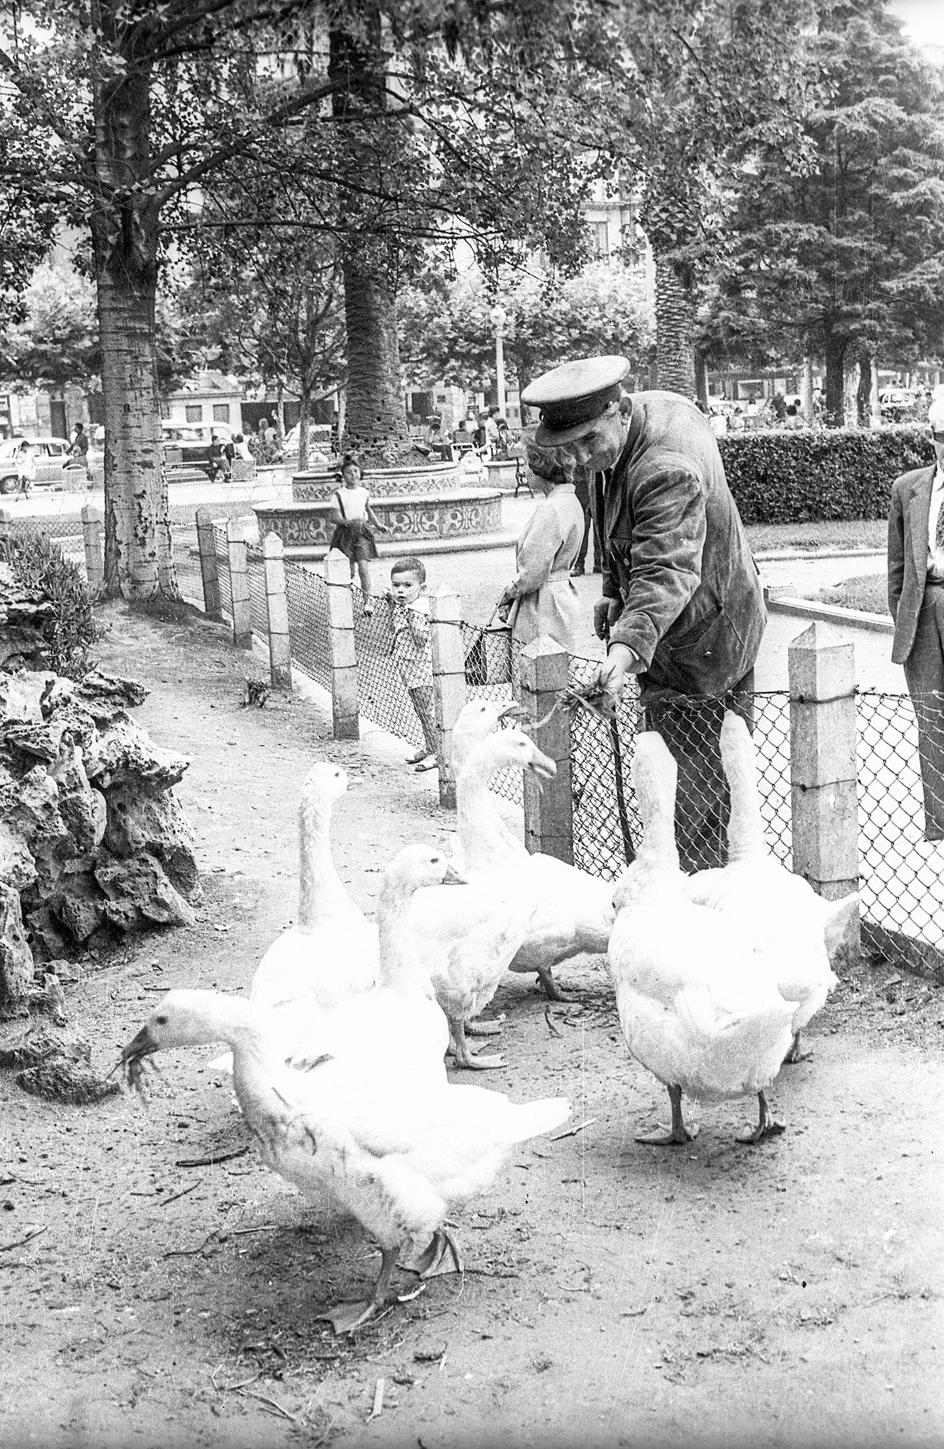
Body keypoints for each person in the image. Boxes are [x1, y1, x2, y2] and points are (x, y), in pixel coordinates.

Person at [519, 354, 767, 873]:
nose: (583, 459)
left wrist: (625, 649)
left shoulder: (665, 466)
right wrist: (613, 590)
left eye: (589, 442)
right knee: (672, 783)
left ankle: (695, 913)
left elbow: (666, 571)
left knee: (690, 798)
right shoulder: (635, 427)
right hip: (677, 633)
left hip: (703, 647)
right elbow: (623, 519)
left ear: (619, 410)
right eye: (571, 447)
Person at [887, 393, 944, 840]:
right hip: (923, 616)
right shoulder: (908, 487)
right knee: (931, 720)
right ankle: (939, 825)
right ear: (932, 438)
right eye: (942, 437)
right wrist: (904, 616)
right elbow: (896, 568)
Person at [496, 443, 584, 654]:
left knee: (538, 671)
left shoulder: (551, 508)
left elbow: (533, 572)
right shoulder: (569, 500)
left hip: (543, 603)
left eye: (527, 463)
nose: (524, 470)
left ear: (541, 466)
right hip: (560, 596)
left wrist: (509, 593)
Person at [387, 556, 438, 772]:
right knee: (419, 709)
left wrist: (408, 614)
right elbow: (393, 629)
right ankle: (429, 746)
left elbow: (420, 640)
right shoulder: (404, 605)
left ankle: (437, 752)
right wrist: (393, 606)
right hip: (408, 667)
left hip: (421, 668)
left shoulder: (417, 609)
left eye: (408, 586)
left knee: (427, 710)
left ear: (421, 587)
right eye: (396, 585)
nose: (401, 591)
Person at [327, 454, 390, 615]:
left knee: (364, 568)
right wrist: (347, 521)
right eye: (349, 472)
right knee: (349, 571)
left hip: (362, 532)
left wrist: (378, 524)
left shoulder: (363, 492)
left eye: (356, 471)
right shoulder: (338, 495)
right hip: (345, 534)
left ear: (360, 473)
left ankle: (367, 603)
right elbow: (334, 517)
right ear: (343, 475)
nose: (353, 475)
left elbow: (367, 509)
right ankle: (345, 599)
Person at [571, 465, 601, 576]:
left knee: (599, 526)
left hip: (596, 483)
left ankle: (599, 563)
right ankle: (579, 564)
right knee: (583, 528)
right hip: (581, 488)